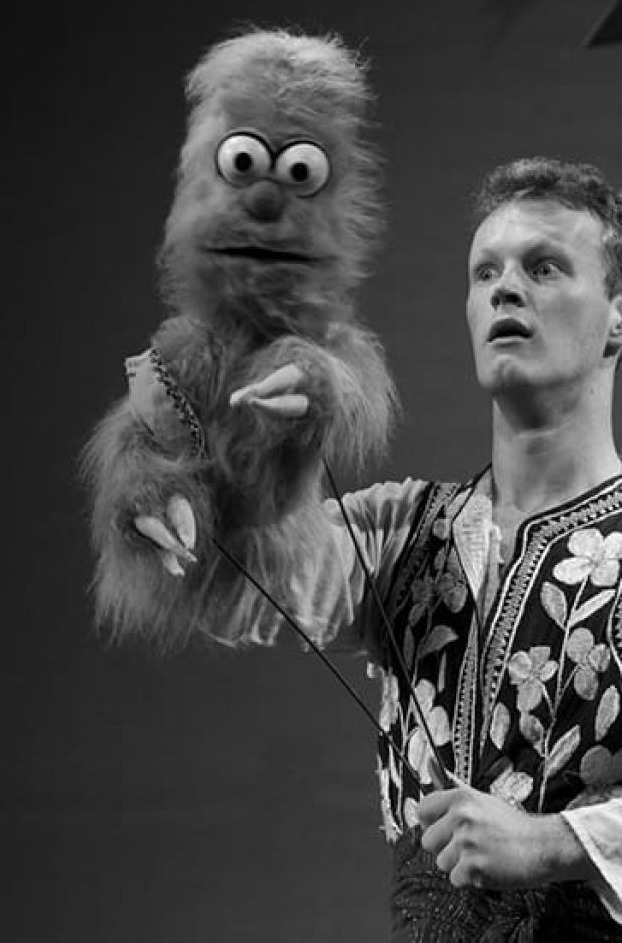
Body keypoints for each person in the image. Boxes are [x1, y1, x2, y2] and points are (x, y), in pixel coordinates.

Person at [120, 155, 622, 939]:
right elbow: (233, 581)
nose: (505, 288)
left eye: (545, 267)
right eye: (484, 271)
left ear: (617, 315)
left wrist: (555, 842)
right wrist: (176, 439)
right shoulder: (400, 532)